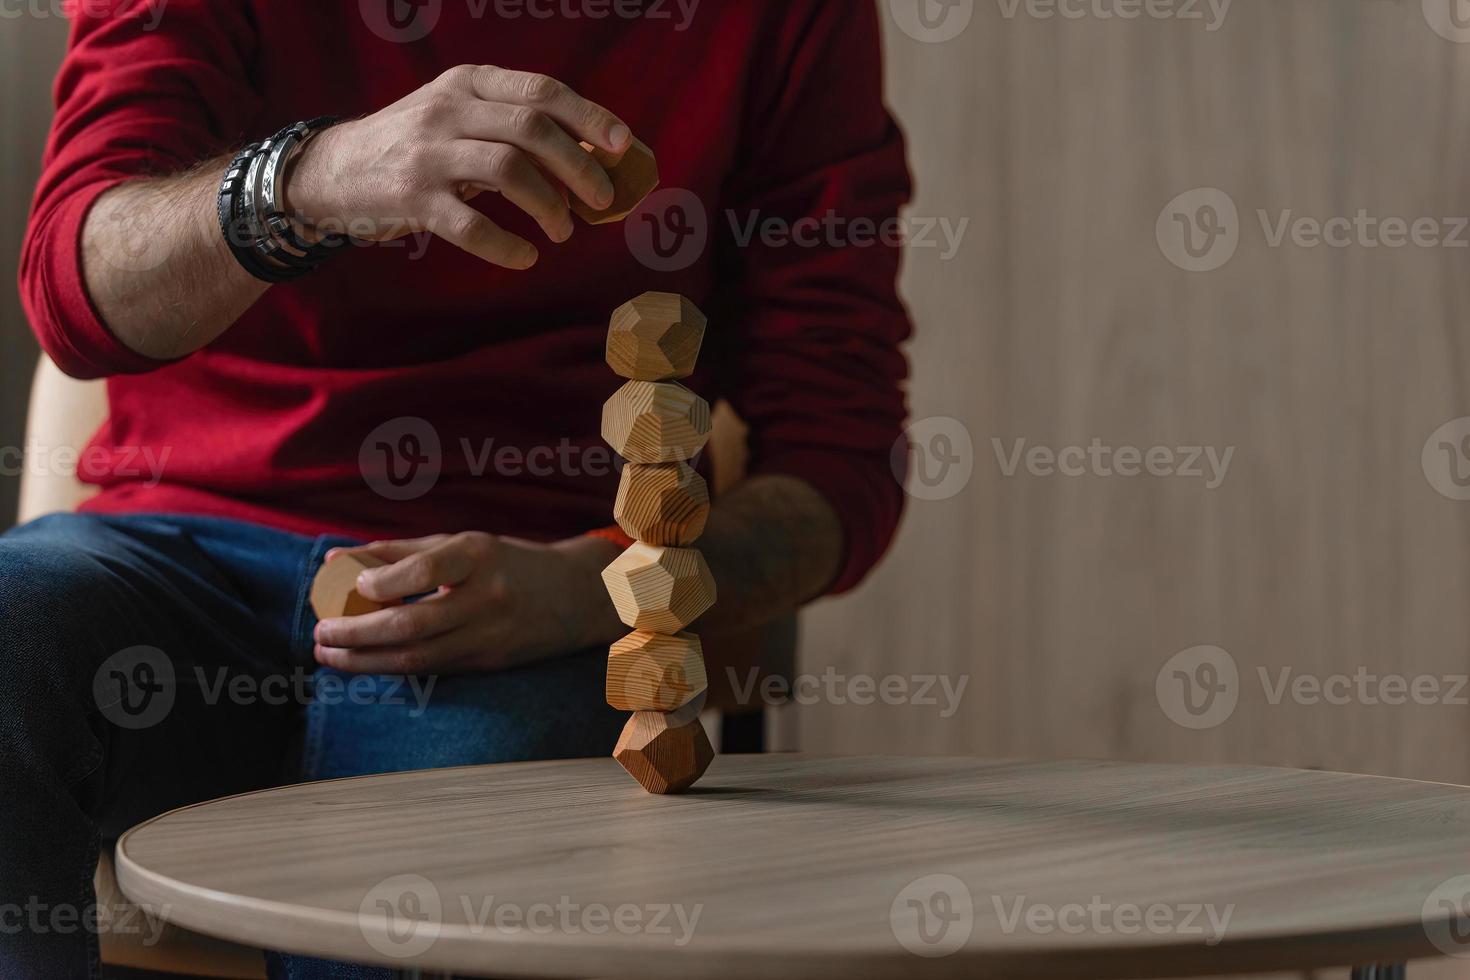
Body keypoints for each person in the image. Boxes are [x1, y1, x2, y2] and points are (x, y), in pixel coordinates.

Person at [7, 0, 912, 975]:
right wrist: (316, 180)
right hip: (175, 560)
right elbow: (78, 284)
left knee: (432, 875)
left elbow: (839, 460)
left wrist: (592, 587)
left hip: (521, 603)